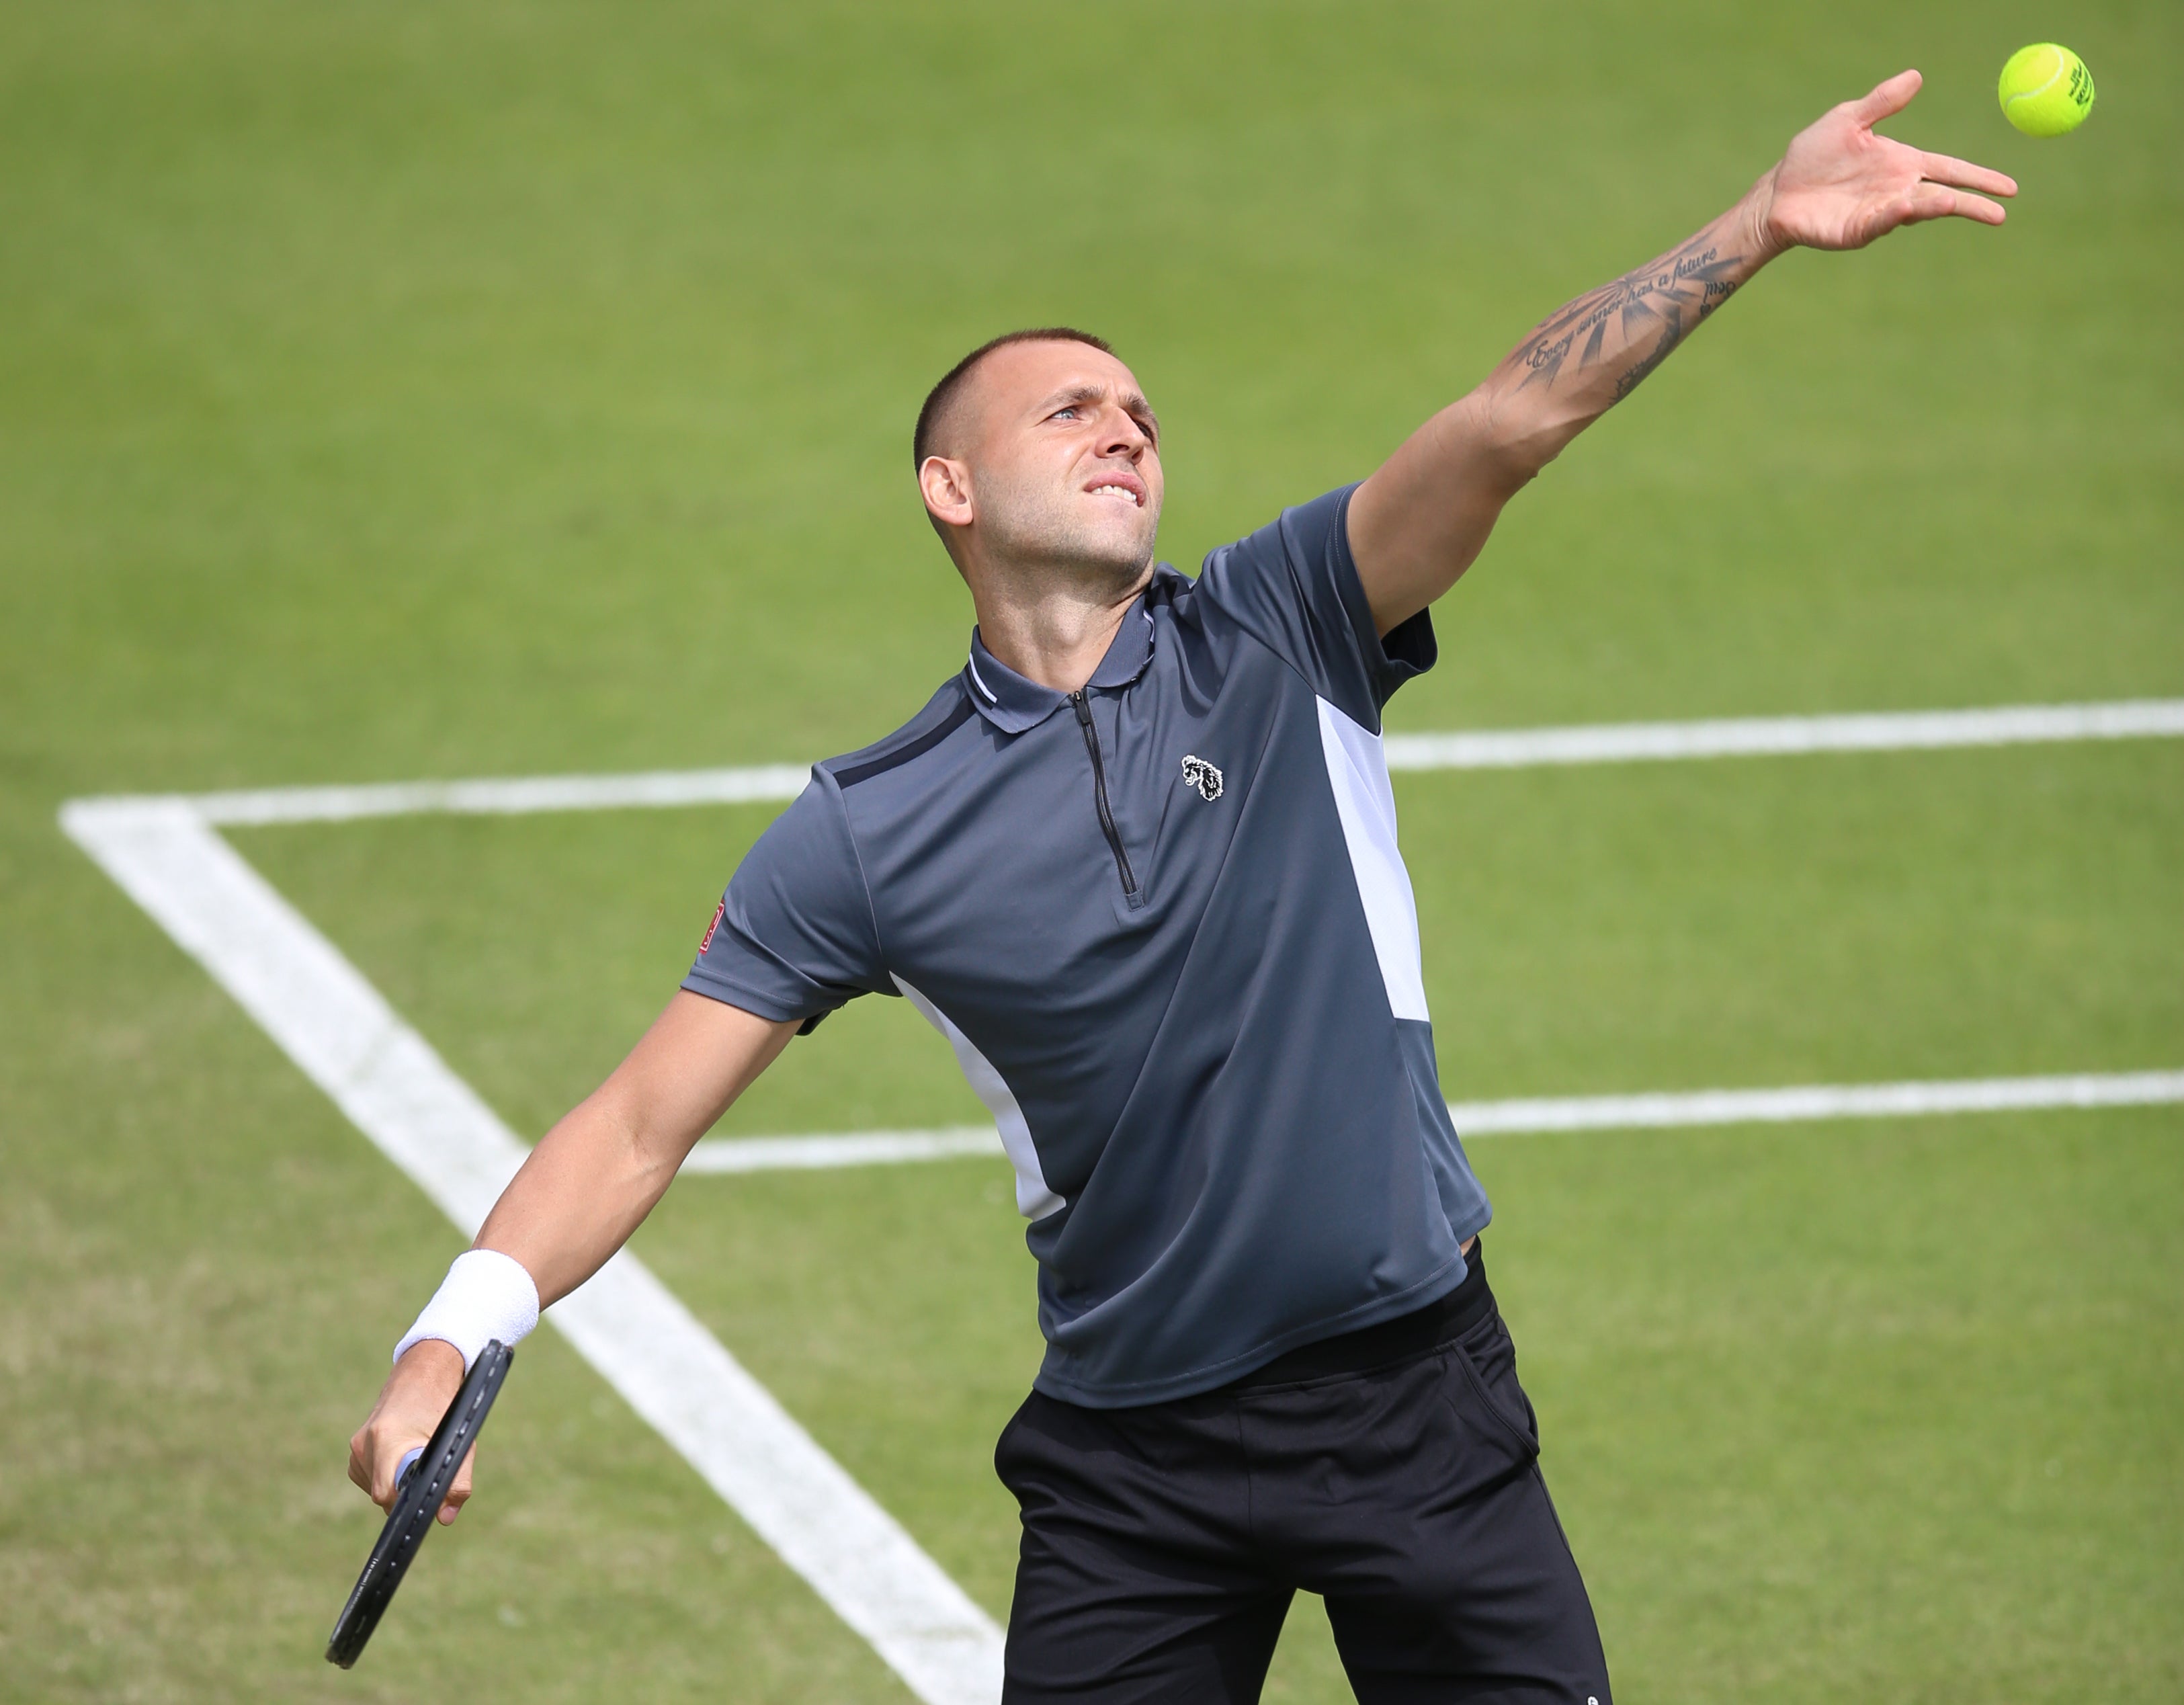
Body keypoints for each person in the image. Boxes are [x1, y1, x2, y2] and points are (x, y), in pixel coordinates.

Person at [350, 72, 2013, 1703]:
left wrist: (1757, 224)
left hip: (1415, 1402)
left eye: (1139, 408)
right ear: (950, 490)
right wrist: (449, 1337)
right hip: (1132, 1459)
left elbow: (1510, 424)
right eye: (1066, 408)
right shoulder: (864, 829)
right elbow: (640, 1122)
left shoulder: (1286, 628)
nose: (1125, 424)